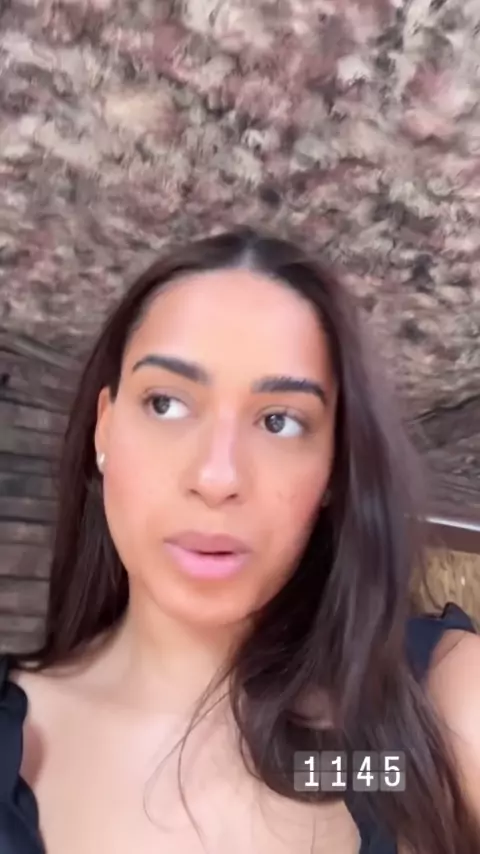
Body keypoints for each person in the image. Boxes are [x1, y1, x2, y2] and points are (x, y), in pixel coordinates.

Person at [1, 226, 479, 854]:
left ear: (334, 469)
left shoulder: (429, 716)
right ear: (105, 430)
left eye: (280, 421)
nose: (217, 477)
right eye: (166, 404)